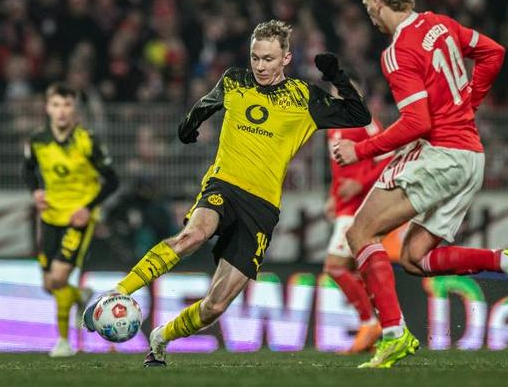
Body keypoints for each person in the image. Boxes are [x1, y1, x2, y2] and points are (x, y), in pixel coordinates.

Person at [82, 20, 371, 367]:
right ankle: (117, 292)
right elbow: (206, 104)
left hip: (262, 206)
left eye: (268, 59)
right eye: (255, 57)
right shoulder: (235, 80)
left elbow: (360, 114)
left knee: (215, 305)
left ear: (286, 58)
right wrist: (189, 126)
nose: (260, 66)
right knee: (192, 236)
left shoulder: (304, 97)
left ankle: (161, 337)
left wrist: (337, 77)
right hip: (224, 184)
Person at [332, 0, 508, 368]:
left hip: (441, 155)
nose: (368, 14)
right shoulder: (440, 24)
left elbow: (417, 123)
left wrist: (361, 151)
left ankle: (393, 333)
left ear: (377, 2)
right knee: (414, 257)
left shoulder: (396, 52)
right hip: (471, 158)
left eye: (367, 5)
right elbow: (494, 53)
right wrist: (469, 102)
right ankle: (507, 260)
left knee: (361, 232)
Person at [22, 83, 119, 357]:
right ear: (47, 108)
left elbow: (113, 180)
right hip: (50, 216)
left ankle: (64, 342)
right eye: (56, 105)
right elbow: (28, 170)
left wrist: (88, 208)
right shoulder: (37, 140)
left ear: (75, 109)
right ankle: (81, 297)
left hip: (78, 218)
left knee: (57, 278)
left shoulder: (88, 141)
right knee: (49, 285)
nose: (62, 111)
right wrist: (35, 191)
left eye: (67, 105)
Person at [324, 118, 390, 354]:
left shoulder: (365, 120)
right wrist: (333, 195)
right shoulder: (331, 124)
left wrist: (360, 183)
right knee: (360, 272)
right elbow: (338, 167)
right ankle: (387, 329)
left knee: (335, 266)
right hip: (345, 206)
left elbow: (388, 158)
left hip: (360, 207)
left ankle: (370, 324)